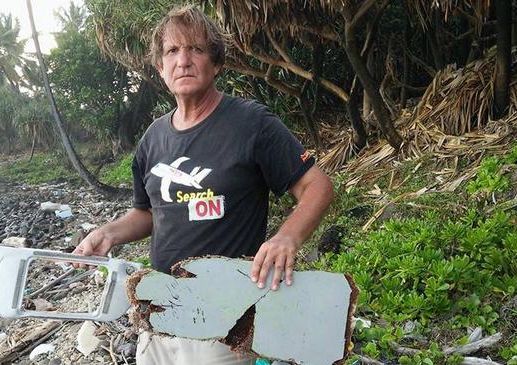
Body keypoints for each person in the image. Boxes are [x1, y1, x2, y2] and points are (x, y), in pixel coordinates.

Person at [73, 5, 334, 365]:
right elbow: (149, 212)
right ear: (161, 69)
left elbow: (317, 186)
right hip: (159, 310)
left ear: (216, 63)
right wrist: (108, 234)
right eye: (172, 51)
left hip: (224, 316)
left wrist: (286, 237)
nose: (183, 60)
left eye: (195, 49)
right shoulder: (153, 139)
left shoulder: (251, 124)